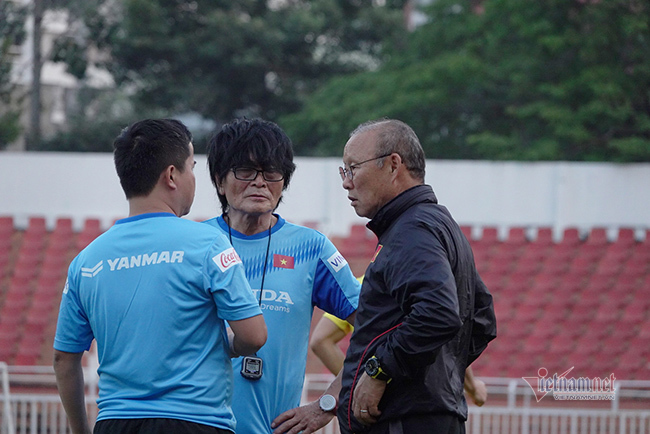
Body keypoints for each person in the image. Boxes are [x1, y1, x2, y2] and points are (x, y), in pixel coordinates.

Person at [53, 119, 267, 434]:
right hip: (196, 423)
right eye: (191, 167)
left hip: (115, 423)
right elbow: (255, 336)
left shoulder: (86, 261)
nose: (194, 177)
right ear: (171, 175)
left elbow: (63, 360)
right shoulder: (208, 244)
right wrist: (226, 344)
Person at [336, 119, 497, 434]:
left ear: (393, 165)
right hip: (426, 416)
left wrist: (380, 371)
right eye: (344, 171)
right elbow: (482, 319)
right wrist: (437, 371)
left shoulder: (412, 229)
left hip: (404, 421)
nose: (346, 182)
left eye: (353, 168)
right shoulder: (434, 222)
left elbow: (439, 314)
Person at [203, 118, 360, 434]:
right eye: (245, 171)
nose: (259, 182)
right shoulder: (194, 245)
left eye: (271, 172)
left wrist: (329, 402)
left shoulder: (310, 248)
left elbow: (377, 326)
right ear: (220, 181)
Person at [310, 292, 488, 406]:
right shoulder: (426, 287)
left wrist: (359, 384)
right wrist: (473, 388)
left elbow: (320, 340)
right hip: (421, 404)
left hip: (370, 406)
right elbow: (445, 340)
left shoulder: (360, 286)